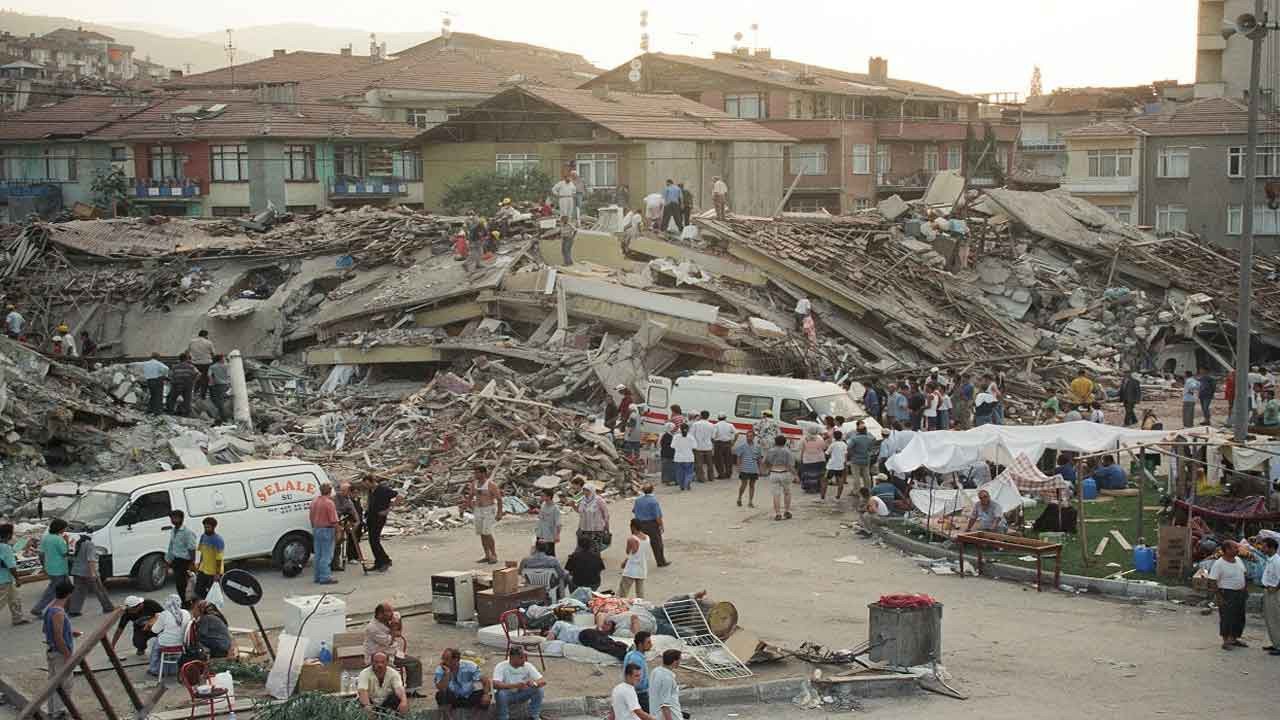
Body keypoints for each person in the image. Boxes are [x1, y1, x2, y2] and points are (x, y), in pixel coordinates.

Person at [365, 602, 424, 692]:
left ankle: (411, 690)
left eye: (391, 610)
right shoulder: (372, 628)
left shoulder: (389, 618)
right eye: (388, 612)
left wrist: (398, 624)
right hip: (378, 656)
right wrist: (393, 627)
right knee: (394, 670)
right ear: (380, 614)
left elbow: (398, 629)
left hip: (393, 652)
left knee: (415, 663)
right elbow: (388, 642)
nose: (392, 613)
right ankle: (395, 691)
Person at [43, 581, 78, 719]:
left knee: (53, 682)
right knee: (64, 683)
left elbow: (47, 630)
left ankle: (53, 710)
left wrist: (69, 632)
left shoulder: (49, 609)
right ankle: (58, 712)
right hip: (59, 653)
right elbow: (58, 638)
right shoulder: (58, 612)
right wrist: (68, 656)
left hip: (52, 651)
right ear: (69, 594)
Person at [1210, 541, 1249, 651]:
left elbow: (1244, 574)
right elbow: (1212, 581)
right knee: (1227, 618)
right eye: (1235, 548)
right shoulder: (1219, 564)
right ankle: (1226, 641)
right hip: (1227, 593)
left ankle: (1234, 638)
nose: (1237, 549)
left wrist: (1245, 589)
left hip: (1240, 593)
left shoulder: (1239, 560)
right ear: (1226, 550)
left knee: (1239, 616)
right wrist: (1219, 597)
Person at [434, 648, 491, 719]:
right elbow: (440, 687)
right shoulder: (440, 669)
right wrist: (447, 674)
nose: (444, 661)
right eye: (443, 659)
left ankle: (477, 718)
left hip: (468, 695)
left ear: (456, 659)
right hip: (454, 697)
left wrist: (486, 694)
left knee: (484, 694)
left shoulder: (470, 666)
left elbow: (485, 680)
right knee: (441, 695)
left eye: (447, 659)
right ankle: (448, 718)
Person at [492, 646, 545, 720]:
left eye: (524, 657)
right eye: (521, 657)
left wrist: (534, 683)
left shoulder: (528, 665)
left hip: (522, 693)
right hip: (507, 695)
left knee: (539, 689)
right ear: (512, 657)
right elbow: (495, 684)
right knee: (501, 694)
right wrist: (515, 685)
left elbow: (542, 681)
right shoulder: (501, 666)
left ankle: (534, 715)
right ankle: (503, 717)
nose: (524, 660)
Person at [32, 519, 70, 618]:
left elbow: (41, 553)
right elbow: (65, 553)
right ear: (60, 528)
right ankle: (38, 609)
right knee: (52, 591)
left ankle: (67, 608)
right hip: (59, 568)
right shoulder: (59, 539)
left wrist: (44, 566)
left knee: (66, 588)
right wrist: (67, 542)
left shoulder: (46, 538)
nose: (65, 529)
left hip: (50, 567)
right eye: (65, 528)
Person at [67, 533, 112, 616]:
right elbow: (91, 559)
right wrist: (93, 573)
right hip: (88, 572)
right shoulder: (90, 544)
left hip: (77, 571)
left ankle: (74, 610)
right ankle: (108, 607)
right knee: (99, 590)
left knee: (78, 591)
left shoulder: (78, 543)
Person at [465, 465, 503, 565]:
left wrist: (499, 513)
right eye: (475, 473)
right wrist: (467, 506)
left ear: (483, 473)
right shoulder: (474, 484)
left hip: (488, 510)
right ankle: (487, 555)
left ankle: (494, 555)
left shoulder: (491, 484)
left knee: (487, 532)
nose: (476, 475)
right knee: (482, 533)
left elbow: (499, 499)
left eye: (478, 473)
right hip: (478, 510)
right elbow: (470, 496)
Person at [148, 595, 191, 677]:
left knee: (155, 644)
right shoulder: (186, 613)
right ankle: (173, 669)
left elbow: (154, 630)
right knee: (163, 639)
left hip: (166, 644)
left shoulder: (164, 614)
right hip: (182, 644)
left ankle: (154, 669)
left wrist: (157, 618)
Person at [359, 651, 410, 717]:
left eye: (382, 662)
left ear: (387, 662)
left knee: (399, 700)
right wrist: (367, 706)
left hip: (386, 702)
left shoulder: (393, 673)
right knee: (361, 704)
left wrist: (404, 701)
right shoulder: (364, 673)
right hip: (370, 701)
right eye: (376, 662)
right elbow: (363, 691)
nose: (380, 665)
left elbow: (399, 688)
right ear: (371, 662)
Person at [308, 483, 340, 584]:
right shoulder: (329, 503)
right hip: (327, 529)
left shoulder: (314, 501)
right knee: (327, 555)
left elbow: (311, 517)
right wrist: (338, 531)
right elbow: (334, 520)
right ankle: (325, 576)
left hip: (317, 528)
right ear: (330, 491)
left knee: (318, 554)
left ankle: (317, 576)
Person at [164, 510, 197, 607]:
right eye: (172, 518)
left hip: (184, 561)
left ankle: (187, 603)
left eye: (175, 518)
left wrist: (192, 563)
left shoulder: (187, 532)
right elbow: (171, 547)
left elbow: (192, 548)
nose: (173, 520)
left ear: (181, 519)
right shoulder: (173, 531)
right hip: (175, 560)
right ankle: (185, 601)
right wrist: (168, 561)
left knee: (184, 584)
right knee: (179, 584)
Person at [366, 476, 399, 571]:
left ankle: (386, 561)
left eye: (368, 484)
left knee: (375, 540)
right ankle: (378, 562)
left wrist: (388, 510)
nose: (367, 486)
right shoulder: (371, 490)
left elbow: (400, 495)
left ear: (372, 482)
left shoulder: (383, 490)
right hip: (371, 517)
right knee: (372, 541)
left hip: (379, 518)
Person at [633, 485, 668, 567]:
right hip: (651, 524)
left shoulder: (638, 500)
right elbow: (657, 516)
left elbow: (634, 511)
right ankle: (661, 562)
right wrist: (661, 525)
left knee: (639, 543)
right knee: (657, 544)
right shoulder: (653, 501)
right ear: (652, 490)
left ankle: (636, 561)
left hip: (639, 523)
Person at [192, 517, 224, 600]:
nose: (206, 529)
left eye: (208, 527)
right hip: (203, 568)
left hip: (213, 571)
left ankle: (212, 606)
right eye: (205, 527)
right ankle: (205, 603)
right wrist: (199, 565)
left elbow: (219, 558)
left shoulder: (218, 540)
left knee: (212, 592)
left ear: (214, 527)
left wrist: (217, 574)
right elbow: (202, 552)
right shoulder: (203, 537)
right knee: (198, 590)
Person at [0, 524, 27, 626]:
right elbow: (11, 566)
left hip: (6, 578)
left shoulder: (4, 546)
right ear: (8, 535)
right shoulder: (5, 547)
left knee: (15, 598)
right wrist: (18, 578)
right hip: (4, 579)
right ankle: (17, 618)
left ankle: (17, 618)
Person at [575, 480, 610, 554]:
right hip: (584, 527)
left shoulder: (599, 500)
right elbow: (580, 512)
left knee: (595, 547)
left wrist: (606, 525)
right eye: (584, 490)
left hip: (596, 528)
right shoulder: (582, 500)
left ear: (592, 490)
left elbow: (605, 513)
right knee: (585, 547)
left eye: (587, 490)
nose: (585, 492)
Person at [335, 481, 364, 570]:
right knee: (339, 543)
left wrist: (358, 522)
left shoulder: (351, 500)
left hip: (352, 522)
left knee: (355, 539)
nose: (344, 493)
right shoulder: (334, 499)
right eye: (343, 490)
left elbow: (355, 512)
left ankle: (355, 556)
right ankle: (348, 558)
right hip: (337, 523)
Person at [1259, 536, 1280, 656]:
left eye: (1264, 546)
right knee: (1270, 619)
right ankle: (1275, 642)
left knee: (1275, 619)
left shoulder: (1277, 561)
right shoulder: (1270, 559)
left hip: (1274, 593)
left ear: (1271, 548)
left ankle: (1278, 645)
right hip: (1269, 591)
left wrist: (1276, 588)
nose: (1262, 548)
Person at [619, 519, 650, 599]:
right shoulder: (647, 538)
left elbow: (628, 552)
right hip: (642, 567)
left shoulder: (631, 539)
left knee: (623, 592)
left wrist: (625, 562)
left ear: (633, 527)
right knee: (640, 593)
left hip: (631, 569)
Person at [766, 435, 794, 522]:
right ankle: (787, 511)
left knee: (776, 494)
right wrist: (796, 475)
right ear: (785, 442)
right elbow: (790, 465)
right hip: (785, 472)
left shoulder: (771, 451)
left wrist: (768, 469)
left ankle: (778, 513)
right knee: (787, 493)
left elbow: (767, 461)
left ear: (775, 442)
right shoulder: (787, 451)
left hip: (774, 472)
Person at [649, 649, 684, 720]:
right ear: (675, 661)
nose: (680, 662)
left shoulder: (655, 671)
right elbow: (665, 705)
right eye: (680, 659)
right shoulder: (667, 678)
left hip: (655, 714)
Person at [624, 632, 653, 713]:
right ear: (640, 644)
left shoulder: (632, 655)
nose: (651, 644)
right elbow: (635, 680)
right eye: (648, 642)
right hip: (639, 694)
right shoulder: (636, 659)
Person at [733, 427, 760, 508]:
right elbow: (738, 457)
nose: (749, 438)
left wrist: (760, 468)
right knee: (744, 484)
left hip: (754, 469)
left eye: (751, 436)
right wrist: (738, 467)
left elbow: (759, 458)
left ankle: (750, 501)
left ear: (754, 437)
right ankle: (739, 498)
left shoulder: (757, 447)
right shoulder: (742, 446)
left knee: (752, 485)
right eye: (748, 436)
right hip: (744, 468)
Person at [846, 421, 876, 492]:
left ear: (857, 431)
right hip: (866, 459)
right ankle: (868, 489)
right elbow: (871, 446)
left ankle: (857, 490)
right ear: (865, 430)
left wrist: (852, 454)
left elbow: (849, 448)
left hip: (855, 459)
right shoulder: (869, 438)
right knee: (866, 476)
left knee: (856, 477)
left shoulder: (855, 439)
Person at [187, 330, 216, 399]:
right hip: (206, 363)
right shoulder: (208, 342)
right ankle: (203, 395)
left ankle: (194, 393)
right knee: (205, 379)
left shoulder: (192, 342)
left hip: (195, 363)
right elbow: (213, 353)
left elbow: (188, 352)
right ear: (206, 335)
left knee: (197, 378)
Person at [689, 411, 716, 484]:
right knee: (710, 463)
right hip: (708, 447)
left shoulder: (695, 424)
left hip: (698, 447)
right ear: (708, 416)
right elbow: (713, 437)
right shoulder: (712, 425)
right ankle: (711, 477)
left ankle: (701, 478)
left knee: (699, 464)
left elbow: (691, 435)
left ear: (700, 416)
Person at [822, 430, 847, 502]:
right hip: (840, 465)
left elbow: (827, 453)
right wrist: (844, 464)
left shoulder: (833, 444)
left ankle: (822, 498)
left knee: (825, 481)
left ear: (834, 437)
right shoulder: (844, 444)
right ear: (841, 436)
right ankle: (838, 497)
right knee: (840, 481)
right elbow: (845, 455)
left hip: (831, 465)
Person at [535, 487, 561, 557]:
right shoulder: (543, 504)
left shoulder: (555, 508)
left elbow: (558, 523)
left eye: (542, 496)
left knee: (550, 553)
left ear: (549, 497)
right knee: (538, 553)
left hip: (550, 534)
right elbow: (540, 518)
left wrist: (557, 536)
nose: (541, 497)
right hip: (540, 533)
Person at [208, 354, 231, 423]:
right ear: (221, 359)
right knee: (223, 401)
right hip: (226, 385)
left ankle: (222, 418)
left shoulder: (212, 367)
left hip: (217, 385)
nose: (224, 359)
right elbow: (229, 375)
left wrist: (211, 383)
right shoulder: (227, 366)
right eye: (223, 358)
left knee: (218, 402)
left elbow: (209, 375)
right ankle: (223, 417)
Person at [711, 414, 735, 480]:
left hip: (719, 444)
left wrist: (713, 442)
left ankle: (721, 474)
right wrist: (733, 442)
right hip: (728, 443)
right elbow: (736, 433)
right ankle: (728, 474)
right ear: (725, 418)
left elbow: (713, 436)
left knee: (719, 460)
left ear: (718, 418)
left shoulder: (716, 425)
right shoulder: (730, 425)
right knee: (728, 460)